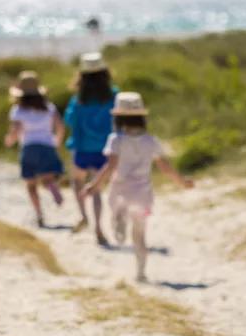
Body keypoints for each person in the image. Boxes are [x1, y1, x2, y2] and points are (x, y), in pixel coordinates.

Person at [82, 92, 194, 282]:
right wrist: (182, 182)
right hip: (142, 193)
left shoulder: (116, 140)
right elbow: (165, 167)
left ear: (117, 118)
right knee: (140, 236)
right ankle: (141, 273)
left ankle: (119, 214)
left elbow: (110, 167)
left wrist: (94, 185)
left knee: (116, 206)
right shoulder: (151, 141)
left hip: (120, 189)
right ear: (141, 118)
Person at [64, 52, 118, 244]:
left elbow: (69, 120)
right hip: (105, 148)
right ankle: (98, 228)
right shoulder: (113, 96)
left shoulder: (78, 99)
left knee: (77, 182)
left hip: (82, 148)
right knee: (96, 188)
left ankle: (83, 216)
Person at [3, 72, 67, 228]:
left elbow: (16, 130)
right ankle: (52, 186)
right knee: (47, 178)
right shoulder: (49, 108)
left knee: (31, 185)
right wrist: (56, 142)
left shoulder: (18, 110)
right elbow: (60, 127)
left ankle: (39, 214)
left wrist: (9, 141)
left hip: (29, 148)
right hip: (47, 146)